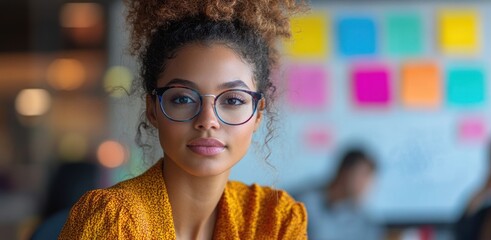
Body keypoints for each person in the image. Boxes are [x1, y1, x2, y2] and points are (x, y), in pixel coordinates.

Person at [59, 0, 308, 239]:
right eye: (183, 99)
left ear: (258, 114)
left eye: (232, 100)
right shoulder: (112, 220)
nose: (208, 120)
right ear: (153, 109)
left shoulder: (275, 220)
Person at [297, 148, 383, 240]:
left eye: (370, 179)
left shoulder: (358, 216)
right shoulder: (303, 203)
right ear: (344, 172)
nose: (366, 184)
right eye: (363, 176)